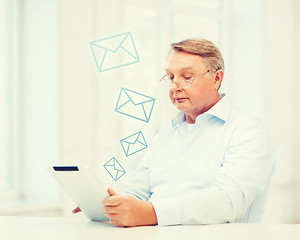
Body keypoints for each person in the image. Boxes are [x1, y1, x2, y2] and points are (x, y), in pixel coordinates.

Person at [73, 38, 275, 227]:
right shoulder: (166, 134)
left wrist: (151, 213)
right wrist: (113, 206)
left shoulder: (248, 132)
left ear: (217, 78)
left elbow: (229, 201)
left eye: (186, 77)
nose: (174, 86)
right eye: (170, 77)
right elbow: (138, 190)